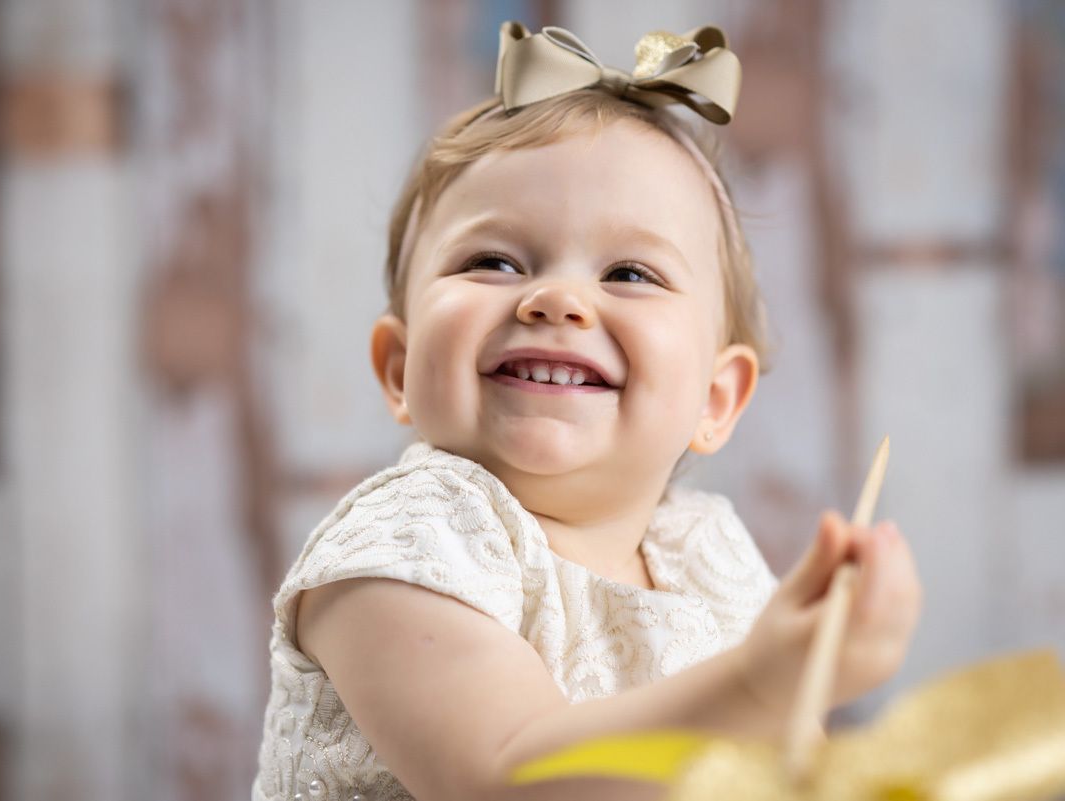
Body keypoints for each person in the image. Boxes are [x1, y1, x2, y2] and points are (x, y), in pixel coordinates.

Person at [252, 21, 922, 801]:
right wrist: (762, 681)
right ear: (400, 370)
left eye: (630, 272)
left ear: (715, 399)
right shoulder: (405, 544)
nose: (558, 300)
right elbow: (510, 777)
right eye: (494, 261)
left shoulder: (706, 551)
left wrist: (812, 689)